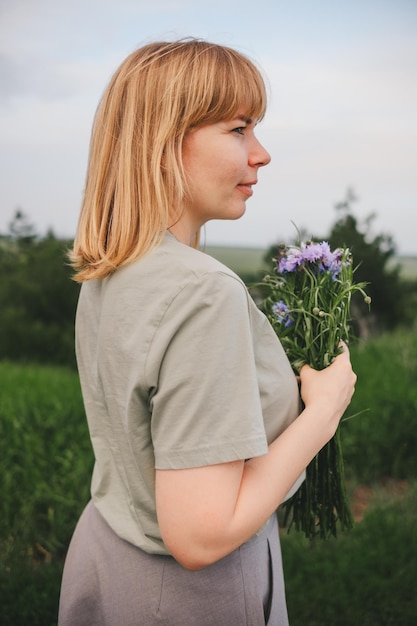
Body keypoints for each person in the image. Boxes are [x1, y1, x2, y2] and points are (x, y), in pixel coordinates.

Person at [58, 39, 356, 626]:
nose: (262, 153)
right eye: (240, 129)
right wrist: (324, 410)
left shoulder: (110, 268)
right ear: (165, 142)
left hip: (106, 557)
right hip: (188, 599)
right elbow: (200, 535)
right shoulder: (203, 292)